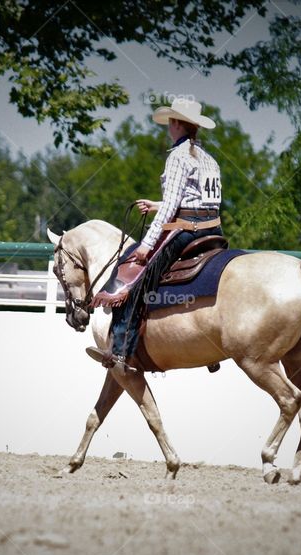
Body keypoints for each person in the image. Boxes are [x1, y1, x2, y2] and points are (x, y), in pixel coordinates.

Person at [87, 98, 223, 372]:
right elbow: (200, 201)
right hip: (213, 229)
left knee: (134, 281)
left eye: (170, 122)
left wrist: (146, 245)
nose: (168, 127)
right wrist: (157, 205)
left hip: (186, 230)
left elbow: (174, 206)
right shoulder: (208, 158)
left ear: (175, 124)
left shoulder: (177, 157)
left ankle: (120, 352)